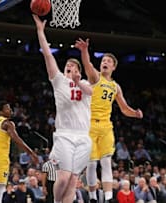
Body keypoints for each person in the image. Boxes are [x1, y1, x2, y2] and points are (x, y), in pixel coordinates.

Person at [33, 15, 93, 203]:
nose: (70, 67)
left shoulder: (84, 83)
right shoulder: (58, 80)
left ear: (79, 71)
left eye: (74, 66)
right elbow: (48, 54)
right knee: (64, 176)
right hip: (65, 134)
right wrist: (40, 31)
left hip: (84, 135)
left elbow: (90, 91)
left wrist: (78, 81)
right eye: (68, 66)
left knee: (74, 180)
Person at [75, 38, 143, 202]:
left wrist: (135, 114)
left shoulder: (115, 86)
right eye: (103, 60)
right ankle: (92, 197)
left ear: (113, 67)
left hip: (106, 127)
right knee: (91, 164)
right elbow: (87, 65)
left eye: (108, 61)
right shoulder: (94, 77)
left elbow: (124, 108)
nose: (104, 62)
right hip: (90, 125)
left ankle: (108, 197)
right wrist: (84, 51)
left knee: (106, 162)